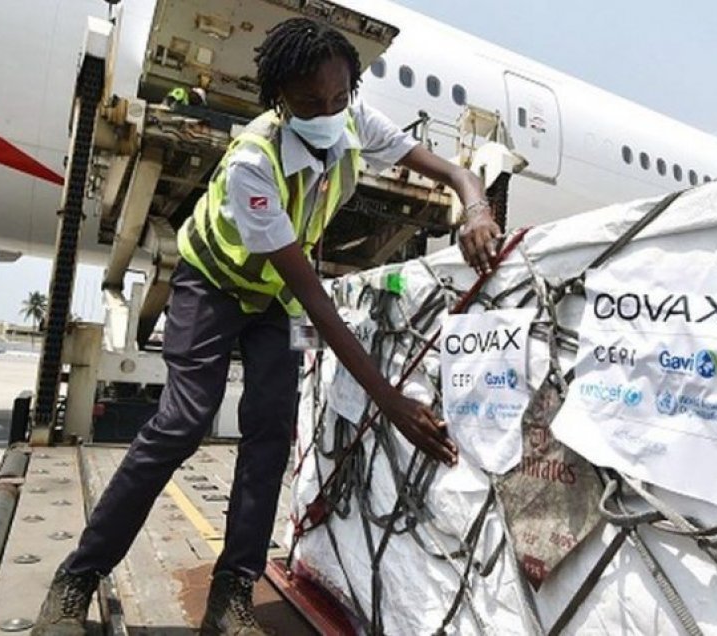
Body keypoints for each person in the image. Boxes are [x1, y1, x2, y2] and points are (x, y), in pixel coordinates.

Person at [32, 16, 500, 636]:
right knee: (183, 421)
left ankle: (232, 595)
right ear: (279, 99)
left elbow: (453, 172)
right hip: (215, 283)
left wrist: (474, 205)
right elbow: (313, 291)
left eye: (339, 98)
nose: (328, 111)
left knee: (271, 432)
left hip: (277, 299)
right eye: (311, 102)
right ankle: (78, 577)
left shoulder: (354, 125)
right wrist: (389, 401)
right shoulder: (255, 161)